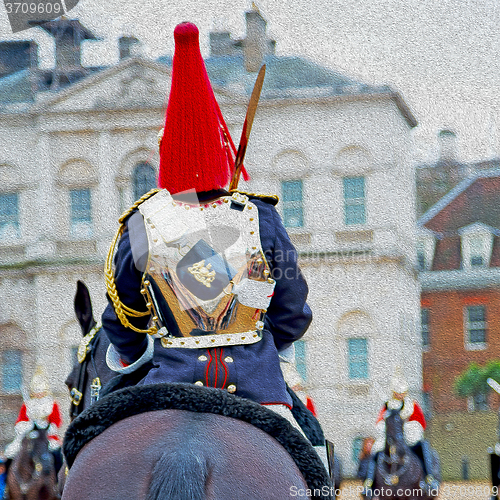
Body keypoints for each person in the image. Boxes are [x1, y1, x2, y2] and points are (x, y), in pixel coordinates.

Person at [101, 22, 326, 463]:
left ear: (166, 159)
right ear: (222, 155)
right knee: (316, 460)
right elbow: (293, 310)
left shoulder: (142, 224)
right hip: (259, 388)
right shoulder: (258, 217)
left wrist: (143, 347)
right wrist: (258, 345)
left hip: (167, 387)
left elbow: (121, 322)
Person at [362, 367, 439, 493]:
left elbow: (421, 423)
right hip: (391, 436)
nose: (401, 395)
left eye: (403, 392)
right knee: (376, 450)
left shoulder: (412, 404)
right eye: (398, 392)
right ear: (393, 392)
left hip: (408, 435)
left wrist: (411, 426)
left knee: (423, 446)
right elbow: (380, 421)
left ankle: (429, 477)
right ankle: (369, 482)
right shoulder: (388, 405)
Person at [4, 366, 62, 460]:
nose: (38, 394)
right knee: (11, 453)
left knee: (57, 454)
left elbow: (56, 421)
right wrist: (27, 425)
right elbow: (21, 420)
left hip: (47, 435)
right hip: (30, 433)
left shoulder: (52, 403)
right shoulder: (28, 404)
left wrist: (45, 427)